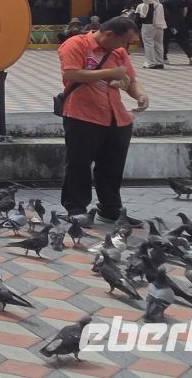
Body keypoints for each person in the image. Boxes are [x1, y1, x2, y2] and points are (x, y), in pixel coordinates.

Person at [58, 16, 149, 226]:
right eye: (123, 41)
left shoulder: (118, 52)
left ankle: (110, 209)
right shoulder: (76, 44)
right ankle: (76, 208)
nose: (125, 47)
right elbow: (72, 73)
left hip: (116, 116)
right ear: (109, 34)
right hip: (82, 113)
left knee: (112, 166)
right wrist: (110, 72)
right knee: (79, 164)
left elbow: (130, 80)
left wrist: (140, 95)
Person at [161, 0, 192, 66]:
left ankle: (164, 58)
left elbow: (164, 13)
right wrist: (181, 18)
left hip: (168, 24)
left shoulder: (164, 2)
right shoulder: (181, 0)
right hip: (180, 23)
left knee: (165, 41)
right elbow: (185, 10)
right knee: (183, 40)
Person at [135, 0, 167, 69]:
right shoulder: (160, 5)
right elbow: (165, 16)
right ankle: (160, 62)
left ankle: (150, 63)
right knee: (159, 44)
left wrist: (137, 28)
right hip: (159, 26)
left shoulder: (140, 6)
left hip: (147, 26)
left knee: (148, 44)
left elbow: (137, 19)